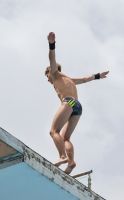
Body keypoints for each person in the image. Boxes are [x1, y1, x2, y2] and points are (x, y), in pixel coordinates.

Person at [45, 32, 109, 174]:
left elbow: (52, 59)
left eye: (47, 76)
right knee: (65, 137)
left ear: (51, 72)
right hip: (77, 107)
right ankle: (71, 161)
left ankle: (62, 157)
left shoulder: (55, 74)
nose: (48, 79)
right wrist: (98, 75)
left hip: (68, 103)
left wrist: (51, 44)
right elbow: (85, 79)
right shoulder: (70, 79)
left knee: (53, 131)